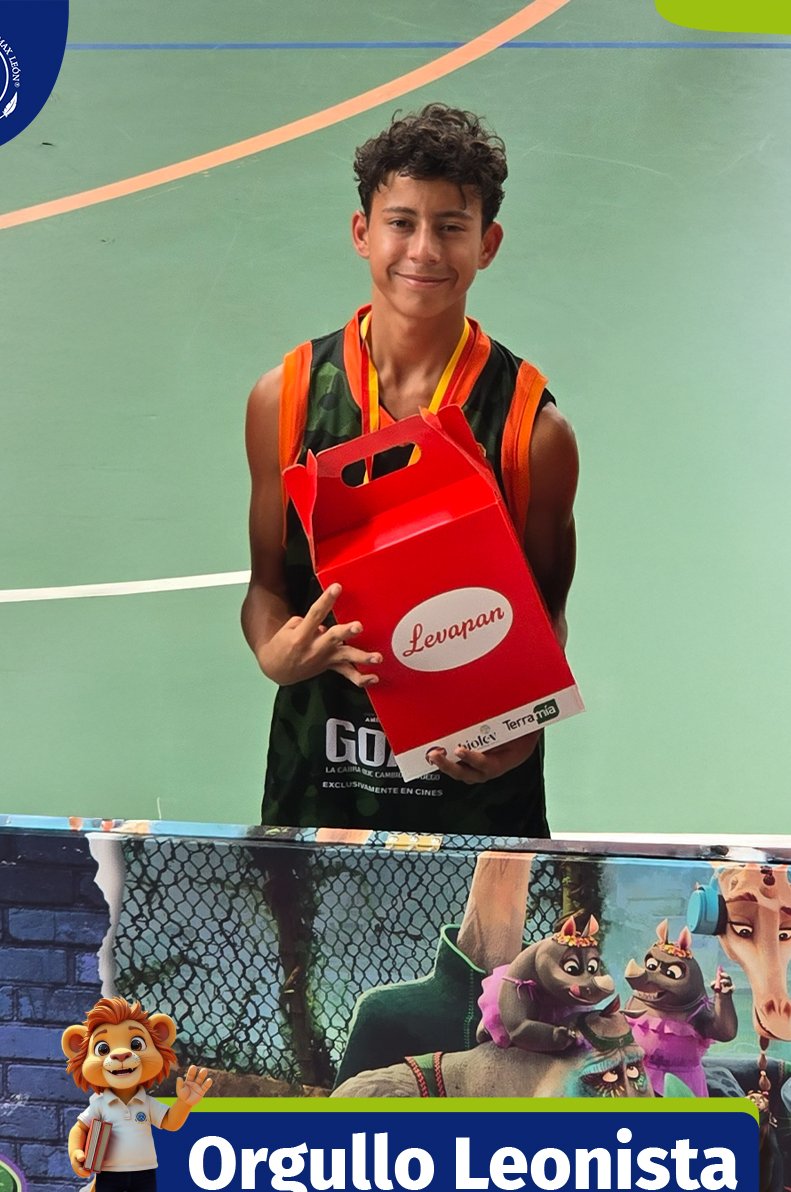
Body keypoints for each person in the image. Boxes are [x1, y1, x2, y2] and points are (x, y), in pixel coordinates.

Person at [242, 104, 578, 835]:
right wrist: (276, 655)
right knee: (306, 954)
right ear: (363, 232)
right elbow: (267, 590)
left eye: (451, 226)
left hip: (474, 794)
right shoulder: (287, 399)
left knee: (486, 956)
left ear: (487, 244)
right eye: (401, 221)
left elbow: (546, 616)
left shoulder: (531, 430)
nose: (423, 249)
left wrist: (520, 732)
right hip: (324, 774)